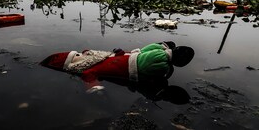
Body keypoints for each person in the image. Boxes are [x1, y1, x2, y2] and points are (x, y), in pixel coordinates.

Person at [40, 42, 194, 93]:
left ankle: (164, 49)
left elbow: (91, 53)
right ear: (73, 65)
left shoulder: (99, 56)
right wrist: (95, 88)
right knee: (146, 65)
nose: (80, 55)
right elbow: (89, 76)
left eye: (78, 53)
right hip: (133, 68)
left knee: (143, 53)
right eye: (76, 56)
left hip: (131, 59)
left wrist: (119, 53)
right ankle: (160, 87)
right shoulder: (90, 68)